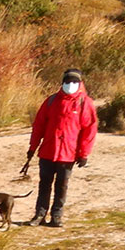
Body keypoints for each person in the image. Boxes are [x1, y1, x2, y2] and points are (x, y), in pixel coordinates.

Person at [26, 68, 98, 228]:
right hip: (48, 151)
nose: (70, 84)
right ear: (62, 82)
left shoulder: (85, 103)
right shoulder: (51, 101)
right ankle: (40, 215)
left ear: (80, 83)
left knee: (62, 185)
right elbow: (39, 125)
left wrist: (84, 153)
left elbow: (89, 130)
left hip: (68, 154)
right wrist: (32, 147)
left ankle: (56, 216)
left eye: (74, 81)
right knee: (44, 184)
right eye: (67, 81)